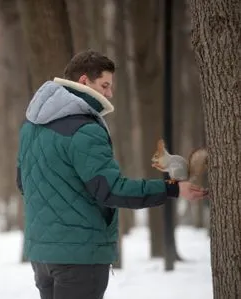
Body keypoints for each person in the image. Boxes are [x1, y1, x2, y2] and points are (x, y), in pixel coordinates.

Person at [16, 50, 208, 299]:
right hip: (81, 257)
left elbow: (23, 183)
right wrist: (172, 188)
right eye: (105, 85)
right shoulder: (85, 129)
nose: (109, 94)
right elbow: (113, 190)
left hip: (43, 257)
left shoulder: (30, 128)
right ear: (84, 81)